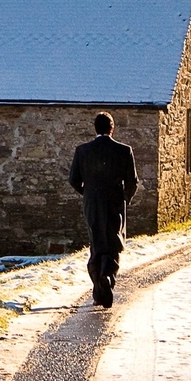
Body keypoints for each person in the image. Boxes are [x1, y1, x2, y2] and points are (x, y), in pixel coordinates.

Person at [69, 111, 139, 308]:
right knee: (113, 241)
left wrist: (88, 193)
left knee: (96, 241)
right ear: (112, 128)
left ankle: (99, 287)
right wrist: (125, 199)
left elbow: (73, 179)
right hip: (114, 203)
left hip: (92, 203)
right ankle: (107, 275)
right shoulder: (124, 150)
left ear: (95, 128)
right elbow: (132, 182)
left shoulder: (82, 151)